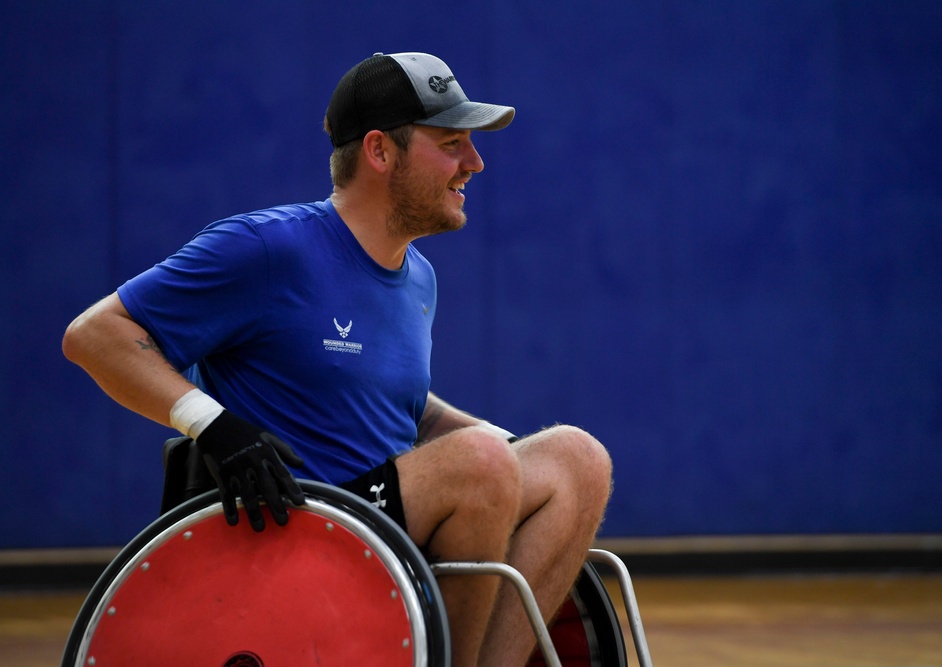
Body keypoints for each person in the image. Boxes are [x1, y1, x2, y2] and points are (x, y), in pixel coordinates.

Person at [63, 51, 612, 667]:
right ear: (380, 151)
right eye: (452, 143)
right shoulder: (266, 247)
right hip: (300, 525)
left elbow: (397, 404)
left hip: (388, 517)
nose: (475, 164)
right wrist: (209, 423)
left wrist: (502, 447)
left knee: (577, 459)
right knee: (481, 463)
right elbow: (94, 334)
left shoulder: (420, 278)